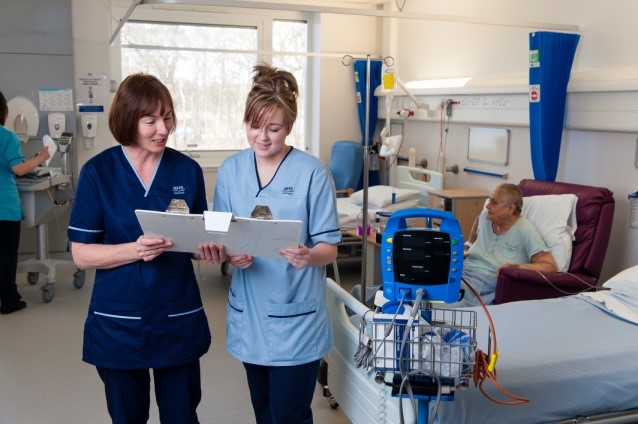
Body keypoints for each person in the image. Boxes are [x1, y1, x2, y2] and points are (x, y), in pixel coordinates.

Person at [67, 73, 220, 423]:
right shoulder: (98, 173)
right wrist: (135, 250)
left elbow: (196, 242)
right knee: (127, 417)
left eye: (167, 118)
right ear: (128, 120)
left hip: (176, 315)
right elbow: (81, 253)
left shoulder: (187, 171)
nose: (162, 129)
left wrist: (208, 250)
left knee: (181, 416)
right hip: (119, 320)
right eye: (150, 120)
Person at [209, 64, 341, 424]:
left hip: (295, 318)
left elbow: (330, 246)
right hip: (249, 313)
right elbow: (221, 234)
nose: (262, 137)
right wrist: (228, 254)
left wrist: (308, 255)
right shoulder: (231, 170)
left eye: (274, 128)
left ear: (290, 126)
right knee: (264, 412)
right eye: (255, 126)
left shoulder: (312, 173)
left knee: (289, 415)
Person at [459, 183, 557, 306]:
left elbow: (549, 266)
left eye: (494, 203)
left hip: (488, 281)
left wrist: (516, 267)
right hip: (463, 272)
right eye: (489, 201)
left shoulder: (526, 230)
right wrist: (467, 247)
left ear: (510, 208)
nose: (488, 206)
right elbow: (476, 227)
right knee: (432, 290)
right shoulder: (485, 217)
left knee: (447, 305)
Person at [0, 90, 50, 315]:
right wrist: (41, 157)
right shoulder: (7, 137)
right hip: (4, 208)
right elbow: (19, 169)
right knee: (7, 256)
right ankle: (9, 300)